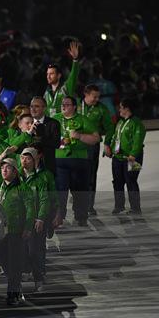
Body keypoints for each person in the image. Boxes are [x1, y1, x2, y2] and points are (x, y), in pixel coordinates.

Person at [0, 158, 34, 306]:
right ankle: (14, 283)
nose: (4, 170)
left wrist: (28, 227)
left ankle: (13, 293)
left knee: (14, 263)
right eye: (2, 168)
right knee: (2, 260)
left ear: (15, 171)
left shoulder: (22, 189)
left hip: (16, 231)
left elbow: (30, 209)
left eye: (8, 168)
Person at [55, 96, 100, 226]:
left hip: (79, 161)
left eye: (67, 104)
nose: (63, 106)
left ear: (74, 107)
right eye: (62, 104)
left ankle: (81, 216)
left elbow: (96, 138)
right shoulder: (56, 119)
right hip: (60, 161)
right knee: (60, 191)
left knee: (80, 191)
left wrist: (80, 136)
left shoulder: (83, 119)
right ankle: (59, 217)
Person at [19, 147, 55, 291]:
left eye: (28, 158)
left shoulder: (41, 178)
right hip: (20, 222)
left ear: (35, 161)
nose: (24, 161)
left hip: (35, 221)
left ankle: (39, 278)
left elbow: (45, 200)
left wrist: (41, 218)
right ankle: (26, 271)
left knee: (35, 250)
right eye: (22, 158)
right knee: (22, 250)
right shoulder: (17, 178)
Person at [79, 84, 114, 215]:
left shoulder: (101, 109)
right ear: (86, 94)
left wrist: (107, 143)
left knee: (91, 175)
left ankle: (89, 205)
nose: (97, 99)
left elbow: (110, 128)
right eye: (94, 97)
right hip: (75, 146)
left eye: (98, 97)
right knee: (75, 176)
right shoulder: (74, 105)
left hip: (92, 147)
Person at [109, 99, 146, 215]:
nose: (119, 109)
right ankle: (119, 206)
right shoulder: (120, 122)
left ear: (127, 108)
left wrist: (133, 155)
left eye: (121, 107)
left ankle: (136, 208)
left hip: (133, 158)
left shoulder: (137, 123)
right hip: (118, 158)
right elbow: (115, 137)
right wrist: (110, 149)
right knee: (117, 182)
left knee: (132, 181)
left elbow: (138, 141)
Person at [43, 41, 80, 118]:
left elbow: (74, 75)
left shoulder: (66, 88)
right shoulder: (47, 92)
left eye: (51, 74)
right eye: (47, 74)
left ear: (59, 75)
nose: (48, 76)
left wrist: (75, 60)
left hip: (64, 126)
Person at [29, 96, 61, 175]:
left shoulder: (53, 123)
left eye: (36, 106)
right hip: (28, 166)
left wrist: (39, 139)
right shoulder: (26, 122)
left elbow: (56, 143)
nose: (33, 109)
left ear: (44, 108)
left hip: (47, 166)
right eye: (31, 106)